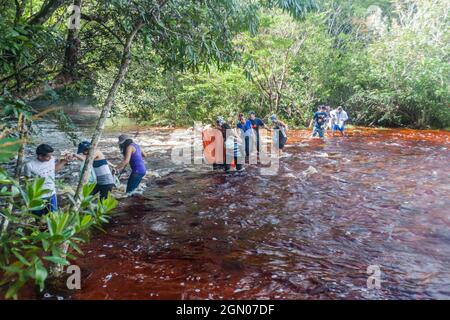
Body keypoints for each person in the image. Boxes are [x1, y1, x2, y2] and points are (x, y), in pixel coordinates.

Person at [23, 144, 70, 216]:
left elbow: (53, 170)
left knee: (53, 216)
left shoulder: (52, 159)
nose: (50, 157)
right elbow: (27, 181)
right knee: (38, 217)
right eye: (48, 156)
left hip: (51, 193)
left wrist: (63, 162)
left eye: (51, 155)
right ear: (40, 156)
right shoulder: (29, 165)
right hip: (38, 196)